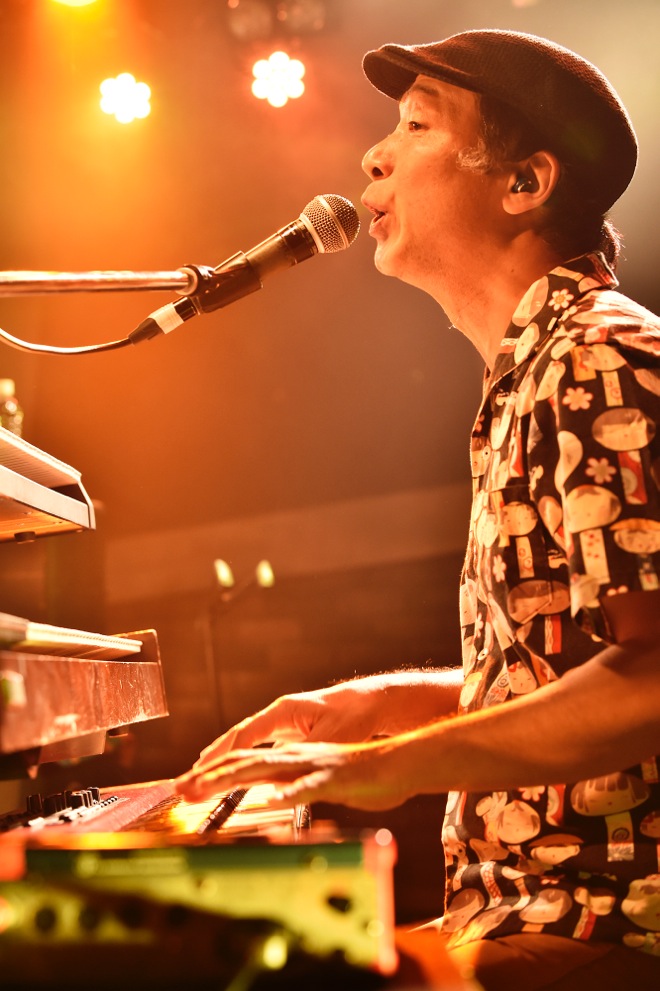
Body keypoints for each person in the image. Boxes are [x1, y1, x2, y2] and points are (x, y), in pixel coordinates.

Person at [176, 29, 660, 990]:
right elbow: (561, 673)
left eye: (417, 125)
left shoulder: (600, 357)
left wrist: (392, 763)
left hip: (610, 930)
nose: (374, 155)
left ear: (524, 182)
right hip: (534, 917)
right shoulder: (534, 373)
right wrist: (371, 709)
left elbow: (652, 680)